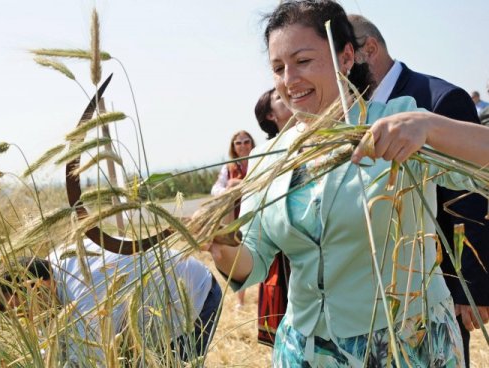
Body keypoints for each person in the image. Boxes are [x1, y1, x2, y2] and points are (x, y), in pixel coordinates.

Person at [204, 1, 489, 366]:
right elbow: (253, 261)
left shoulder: (398, 125)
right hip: (306, 352)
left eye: (303, 61)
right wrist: (224, 244)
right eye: (278, 68)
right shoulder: (272, 158)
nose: (289, 79)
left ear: (346, 58)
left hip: (406, 348)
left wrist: (432, 126)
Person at [349, 14, 489, 367]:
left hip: (435, 288)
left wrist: (471, 287)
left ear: (370, 48)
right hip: (372, 298)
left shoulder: (436, 100)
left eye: (348, 56)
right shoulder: (352, 112)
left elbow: (469, 201)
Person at [0, 238, 221, 366]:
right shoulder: (51, 268)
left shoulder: (84, 292)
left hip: (192, 297)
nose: (28, 320)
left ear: (37, 287)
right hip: (144, 311)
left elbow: (91, 361)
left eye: (23, 310)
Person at [253, 88, 294, 347]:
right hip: (283, 246)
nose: (288, 94)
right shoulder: (266, 154)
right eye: (279, 97)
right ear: (270, 115)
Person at [210, 130, 255, 308]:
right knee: (238, 253)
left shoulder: (260, 160)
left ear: (252, 143)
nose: (243, 146)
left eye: (246, 142)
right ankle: (240, 300)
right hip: (237, 214)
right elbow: (216, 188)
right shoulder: (229, 167)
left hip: (259, 209)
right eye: (239, 143)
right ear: (233, 147)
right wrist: (229, 189)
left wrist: (241, 184)